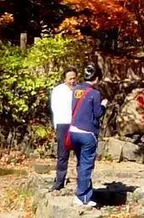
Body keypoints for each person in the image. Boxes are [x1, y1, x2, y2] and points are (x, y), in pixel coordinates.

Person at [69, 64, 108, 207]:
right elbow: (97, 114)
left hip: (73, 131)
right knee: (86, 165)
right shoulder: (95, 93)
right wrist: (104, 105)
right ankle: (82, 197)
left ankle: (84, 192)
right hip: (87, 133)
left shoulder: (76, 89)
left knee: (81, 163)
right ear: (96, 78)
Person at [49, 67, 78, 191]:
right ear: (65, 79)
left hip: (77, 124)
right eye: (70, 78)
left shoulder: (79, 89)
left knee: (80, 154)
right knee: (62, 154)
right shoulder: (58, 90)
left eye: (74, 78)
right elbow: (54, 107)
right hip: (63, 123)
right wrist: (57, 125)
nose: (72, 81)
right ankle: (59, 181)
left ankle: (82, 183)